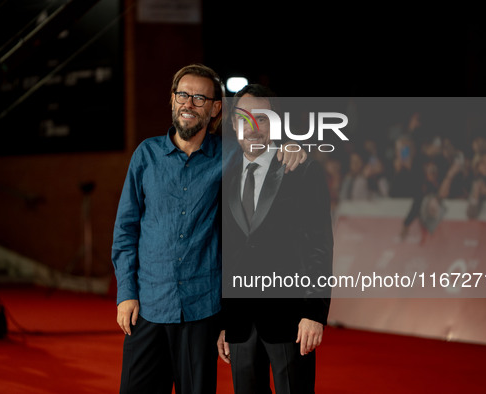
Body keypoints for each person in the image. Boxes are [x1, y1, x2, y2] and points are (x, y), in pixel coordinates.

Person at [111, 64, 306, 394]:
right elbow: (126, 231)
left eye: (199, 97)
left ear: (216, 108)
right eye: (182, 95)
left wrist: (290, 147)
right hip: (149, 308)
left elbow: (260, 145)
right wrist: (126, 293)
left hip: (201, 312)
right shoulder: (145, 155)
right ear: (172, 100)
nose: (188, 103)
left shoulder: (229, 154)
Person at [217, 84, 333, 393]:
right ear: (233, 123)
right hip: (240, 324)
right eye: (244, 118)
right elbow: (227, 252)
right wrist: (224, 320)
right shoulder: (225, 176)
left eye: (263, 118)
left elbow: (318, 247)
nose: (253, 127)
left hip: (290, 320)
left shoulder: (301, 170)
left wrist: (313, 312)